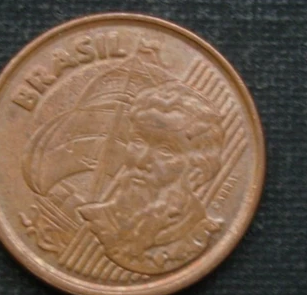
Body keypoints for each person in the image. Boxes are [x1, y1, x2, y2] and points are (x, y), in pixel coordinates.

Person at [78, 81, 225, 274]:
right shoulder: (95, 219)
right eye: (138, 142)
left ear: (197, 165)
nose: (141, 161)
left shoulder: (198, 233)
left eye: (165, 151)